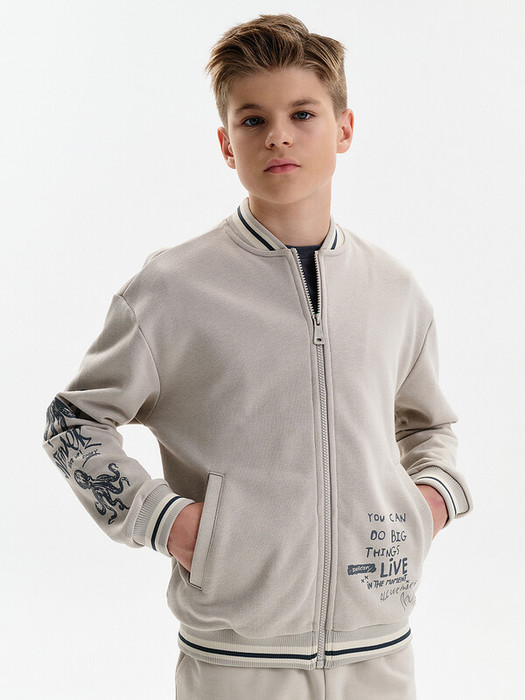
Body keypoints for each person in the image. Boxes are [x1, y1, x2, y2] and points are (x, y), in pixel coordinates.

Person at [42, 13, 472, 700]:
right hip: (235, 661)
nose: (278, 135)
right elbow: (73, 421)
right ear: (226, 143)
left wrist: (428, 507)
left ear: (344, 128)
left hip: (380, 651)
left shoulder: (394, 290)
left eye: (302, 113)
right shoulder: (173, 289)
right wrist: (169, 522)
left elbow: (429, 427)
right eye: (252, 120)